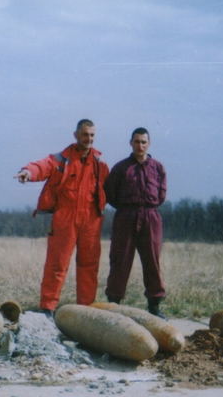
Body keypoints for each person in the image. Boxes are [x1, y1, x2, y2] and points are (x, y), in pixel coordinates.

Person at [15, 119, 109, 316]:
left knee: (89, 265)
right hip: (65, 216)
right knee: (57, 263)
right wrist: (27, 172)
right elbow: (41, 166)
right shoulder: (61, 159)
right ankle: (47, 307)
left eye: (92, 135)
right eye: (85, 134)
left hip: (91, 219)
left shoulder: (100, 165)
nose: (89, 139)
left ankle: (85, 309)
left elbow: (113, 188)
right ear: (75, 135)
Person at [104, 127, 167, 317]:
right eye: (137, 141)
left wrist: (148, 208)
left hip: (150, 216)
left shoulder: (158, 167)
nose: (140, 145)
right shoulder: (121, 168)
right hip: (126, 216)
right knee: (120, 260)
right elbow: (110, 194)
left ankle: (154, 306)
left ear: (149, 144)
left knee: (152, 261)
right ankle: (114, 304)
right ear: (130, 143)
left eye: (143, 142)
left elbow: (162, 194)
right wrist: (127, 208)